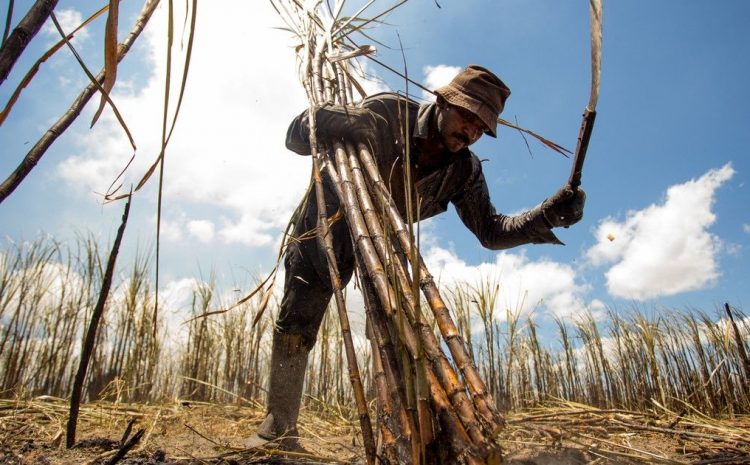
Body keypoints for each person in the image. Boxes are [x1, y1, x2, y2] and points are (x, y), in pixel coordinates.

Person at [248, 65, 586, 448]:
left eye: (481, 127)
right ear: (443, 100)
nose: (472, 131)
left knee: (400, 336)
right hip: (327, 222)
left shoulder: (464, 171)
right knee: (298, 321)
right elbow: (297, 136)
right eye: (467, 117)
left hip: (385, 247)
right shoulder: (388, 112)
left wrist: (548, 214)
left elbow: (491, 231)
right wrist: (327, 117)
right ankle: (278, 429)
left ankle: (407, 442)